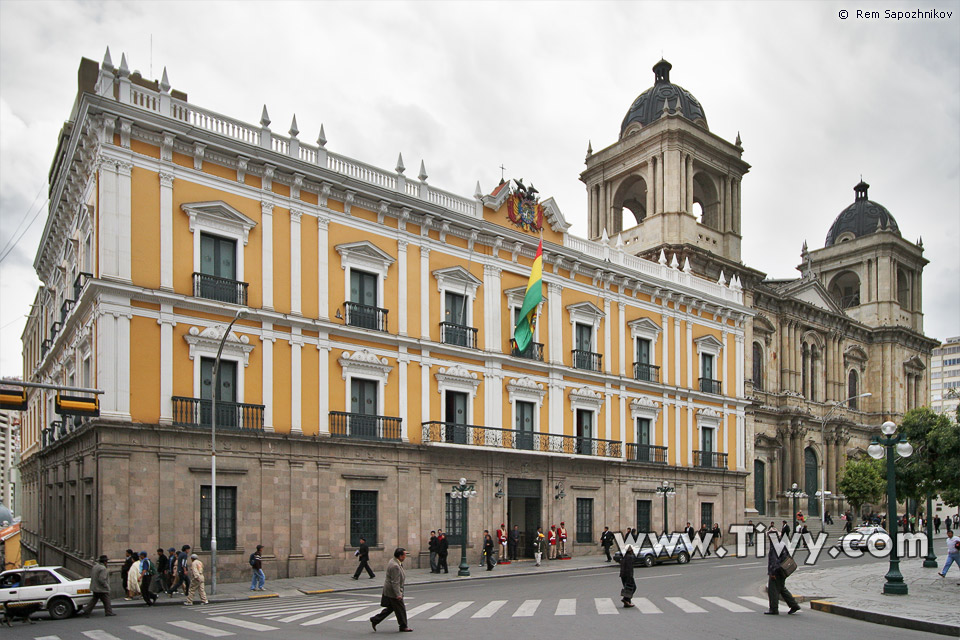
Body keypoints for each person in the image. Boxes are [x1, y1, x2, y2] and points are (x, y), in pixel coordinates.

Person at [370, 547, 411, 633]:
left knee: (391, 608)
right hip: (393, 591)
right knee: (401, 609)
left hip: (390, 590)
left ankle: (375, 619)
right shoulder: (395, 566)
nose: (405, 556)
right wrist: (398, 594)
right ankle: (403, 626)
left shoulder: (394, 561)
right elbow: (395, 582)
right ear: (400, 556)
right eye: (404, 555)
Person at [764, 530, 800, 615]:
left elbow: (774, 561)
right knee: (781, 588)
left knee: (772, 590)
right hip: (783, 570)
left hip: (777, 571)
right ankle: (794, 605)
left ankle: (774, 609)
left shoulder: (775, 546)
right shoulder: (781, 544)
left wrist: (772, 573)